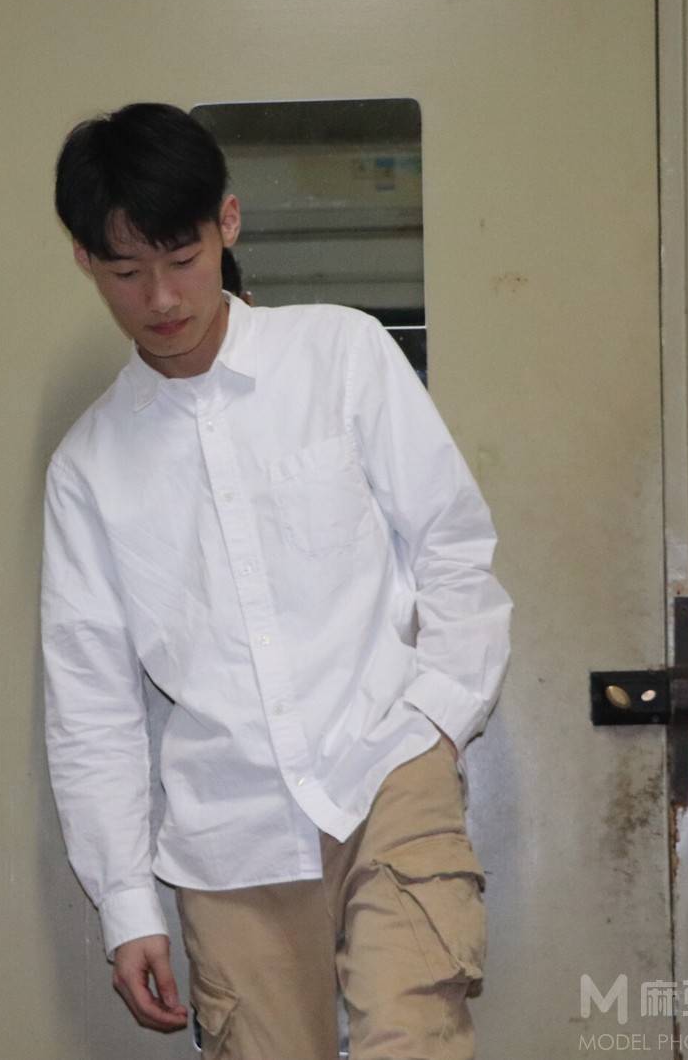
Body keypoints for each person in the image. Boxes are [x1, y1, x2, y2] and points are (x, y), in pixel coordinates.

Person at [43, 102, 512, 1060]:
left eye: (181, 259)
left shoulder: (340, 353)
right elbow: (92, 703)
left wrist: (437, 721)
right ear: (86, 261)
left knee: (413, 1040)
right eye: (126, 273)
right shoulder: (87, 468)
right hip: (229, 837)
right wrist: (126, 902)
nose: (161, 297)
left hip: (387, 772)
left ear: (228, 221)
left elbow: (452, 545)